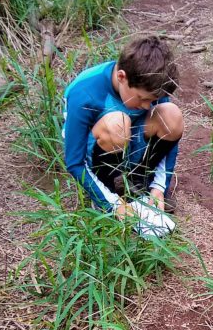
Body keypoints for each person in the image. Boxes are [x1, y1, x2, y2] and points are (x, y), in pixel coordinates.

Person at [62, 35, 184, 217]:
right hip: (99, 150)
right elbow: (74, 162)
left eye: (152, 100)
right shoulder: (84, 92)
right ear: (121, 77)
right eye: (142, 99)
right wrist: (110, 203)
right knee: (118, 123)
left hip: (133, 144)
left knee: (171, 114)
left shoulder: (152, 83)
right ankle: (107, 189)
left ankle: (141, 181)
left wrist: (159, 186)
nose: (146, 106)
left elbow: (168, 134)